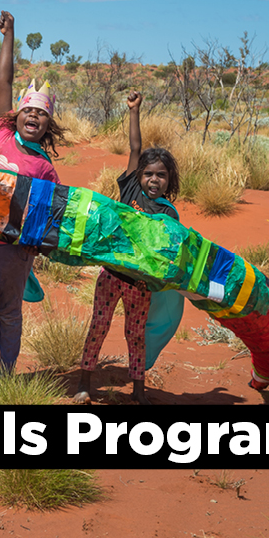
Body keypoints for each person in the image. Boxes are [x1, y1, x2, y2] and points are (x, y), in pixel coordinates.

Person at [0, 11, 65, 380]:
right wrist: (10, 35)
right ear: (17, 115)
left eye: (41, 114)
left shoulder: (44, 168)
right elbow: (3, 81)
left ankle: (6, 378)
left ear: (47, 123)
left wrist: (34, 247)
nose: (33, 117)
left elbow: (47, 214)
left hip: (13, 251)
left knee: (9, 313)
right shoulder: (0, 135)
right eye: (28, 111)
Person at [74, 91, 180, 405]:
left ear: (169, 180)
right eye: (148, 173)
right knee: (99, 325)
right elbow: (135, 147)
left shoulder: (167, 212)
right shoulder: (131, 187)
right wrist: (134, 111)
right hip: (111, 273)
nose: (154, 180)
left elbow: (167, 251)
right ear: (139, 175)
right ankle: (84, 384)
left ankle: (138, 391)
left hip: (139, 283)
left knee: (135, 334)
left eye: (161, 175)